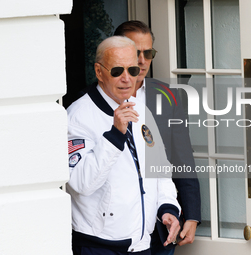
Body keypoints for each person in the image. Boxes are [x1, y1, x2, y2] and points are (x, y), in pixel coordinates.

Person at [66, 35, 182, 255]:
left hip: (141, 244)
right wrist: (115, 134)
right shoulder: (77, 116)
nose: (127, 79)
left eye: (133, 70)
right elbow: (81, 183)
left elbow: (160, 168)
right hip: (99, 245)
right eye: (117, 71)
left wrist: (167, 208)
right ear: (99, 72)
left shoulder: (140, 108)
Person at [114, 21, 201, 254]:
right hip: (116, 229)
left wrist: (191, 214)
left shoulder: (167, 95)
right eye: (136, 53)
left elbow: (182, 156)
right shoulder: (92, 101)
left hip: (162, 225)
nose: (142, 61)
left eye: (148, 53)